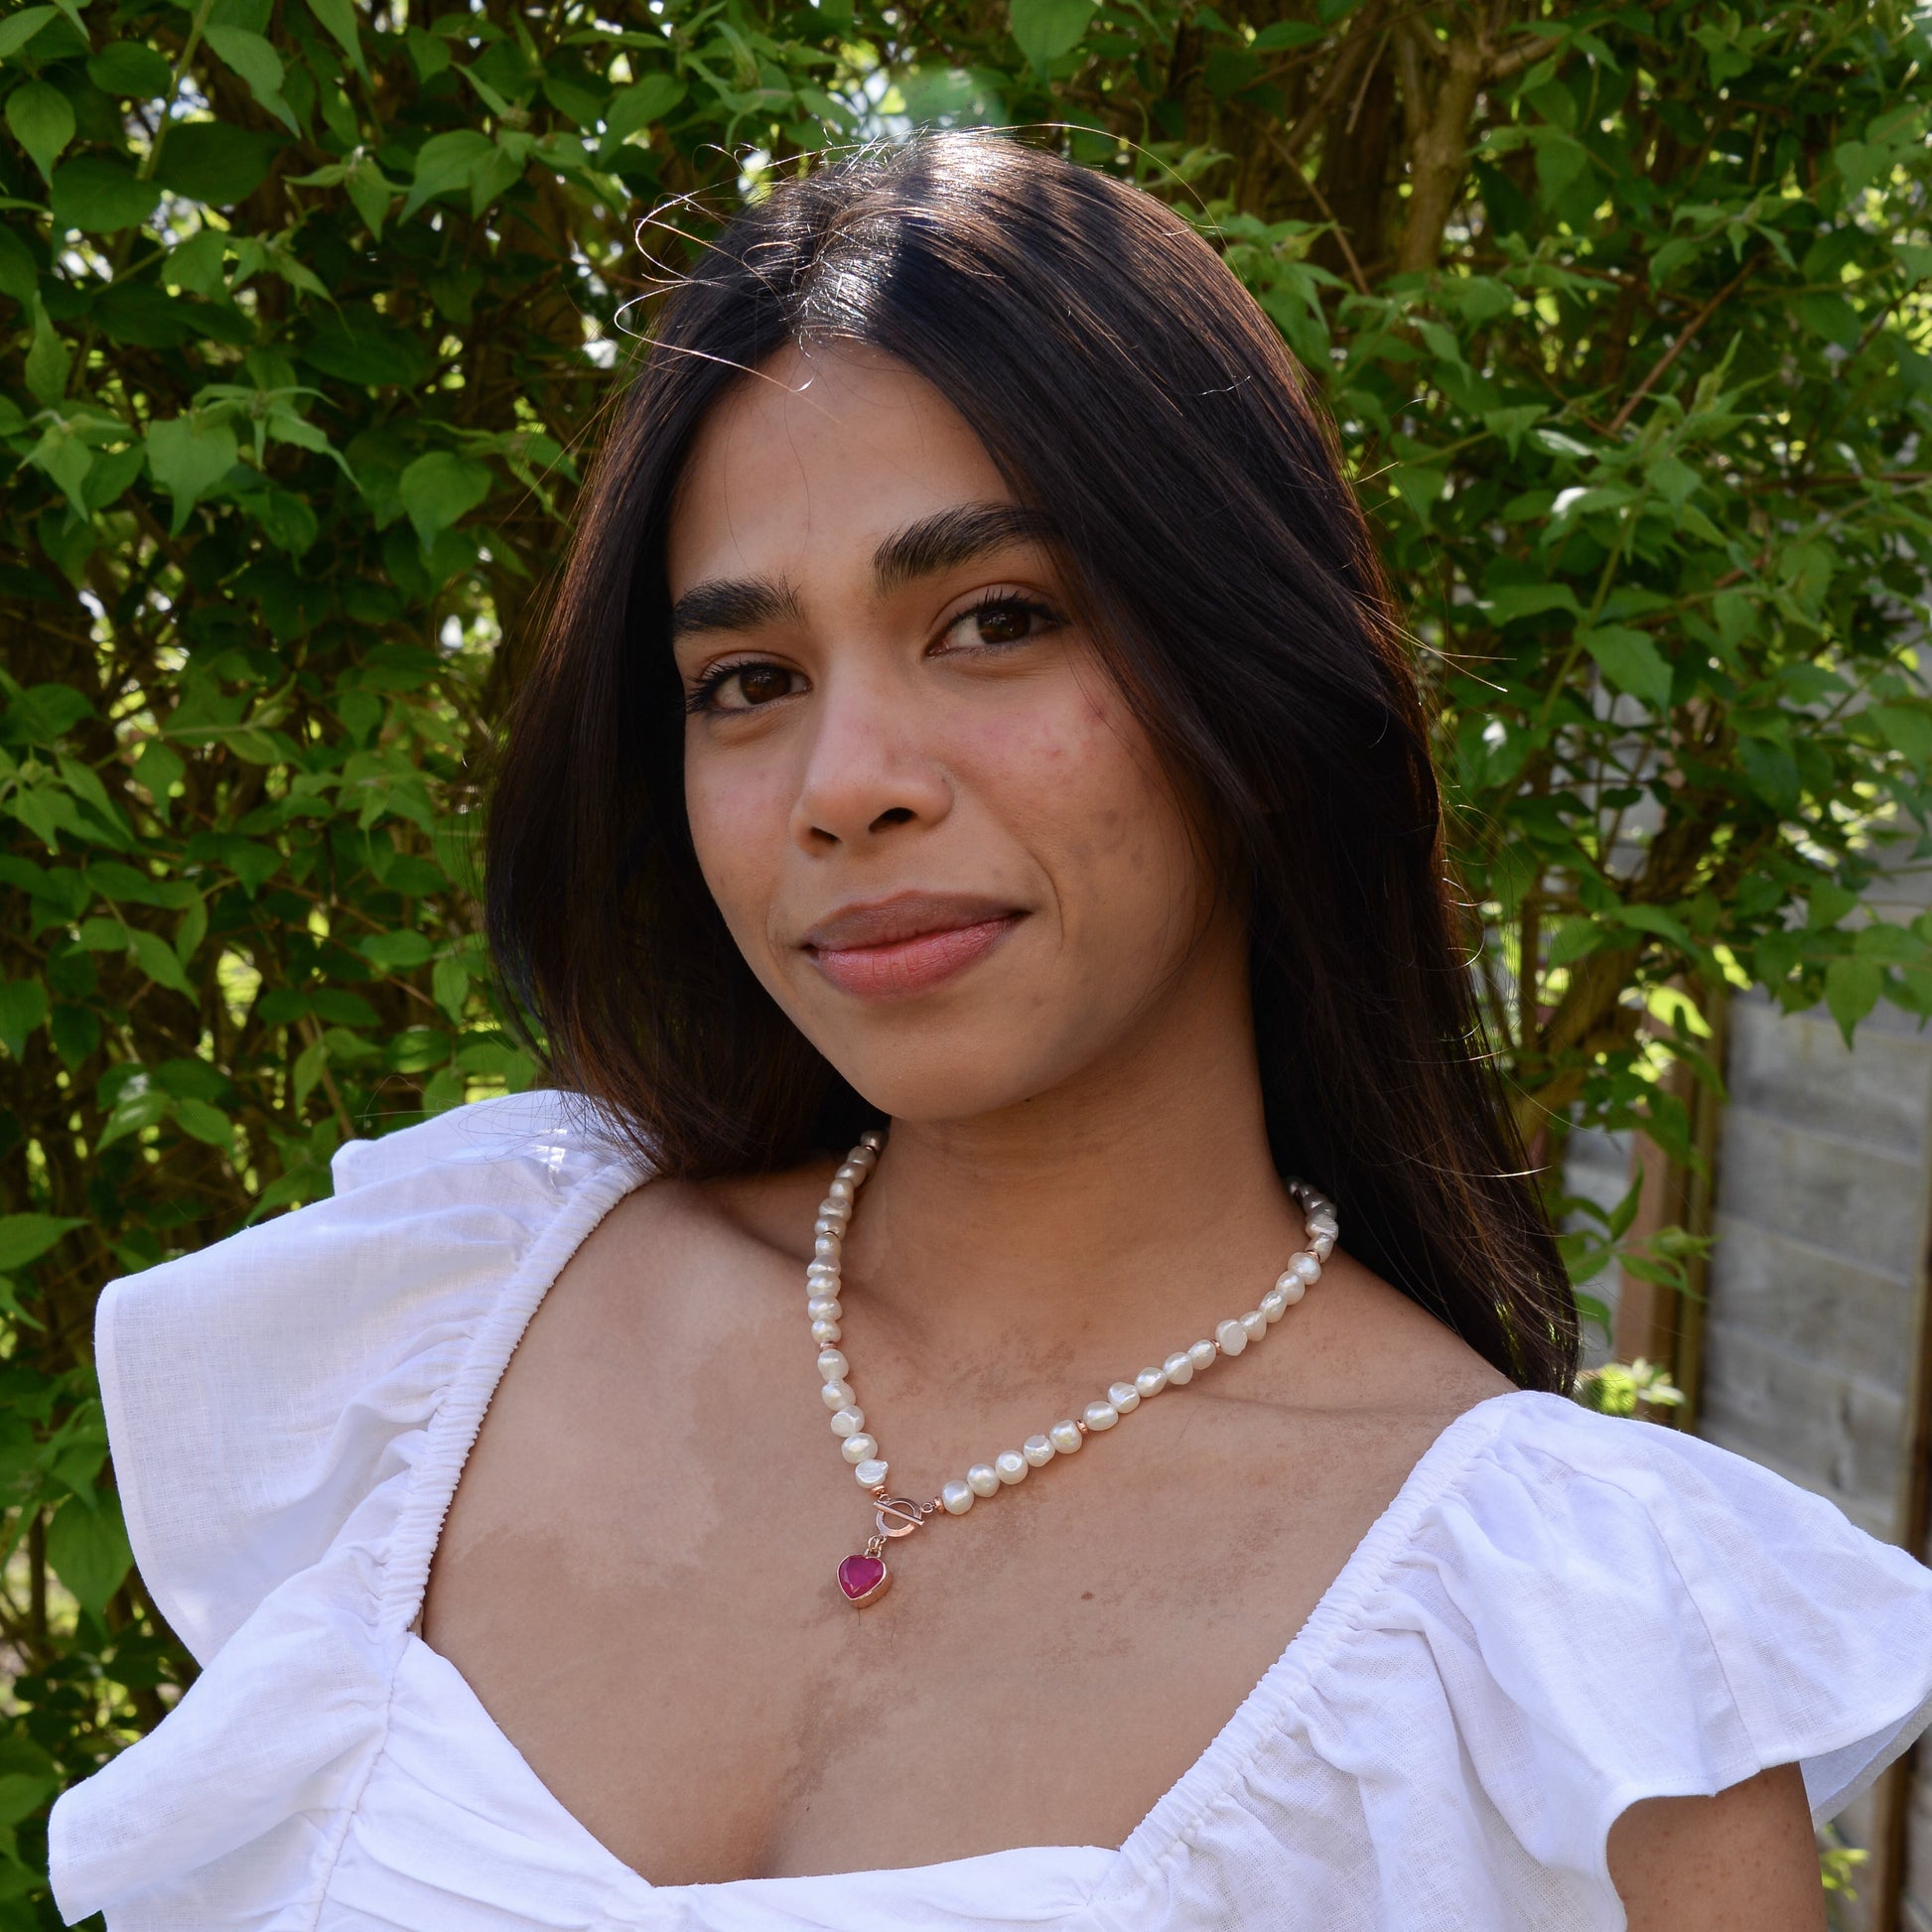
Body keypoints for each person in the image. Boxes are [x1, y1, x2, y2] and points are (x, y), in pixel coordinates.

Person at [47, 131, 1932, 1931]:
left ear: (1249, 666)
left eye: (997, 618)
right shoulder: (455, 1323)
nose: (843, 784)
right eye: (748, 680)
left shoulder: (1562, 1686)